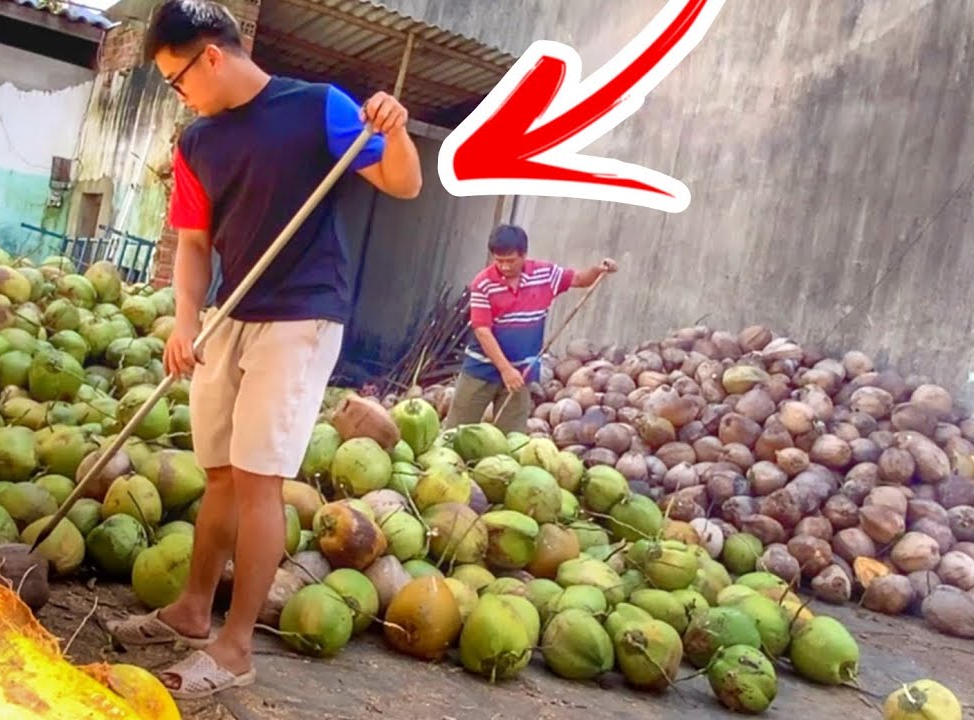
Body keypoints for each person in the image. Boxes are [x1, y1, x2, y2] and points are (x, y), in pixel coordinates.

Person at [106, 0, 422, 700]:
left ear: (210, 56)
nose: (178, 93)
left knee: (257, 480)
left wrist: (394, 132)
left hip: (302, 318)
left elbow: (402, 182)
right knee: (218, 472)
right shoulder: (197, 144)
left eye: (177, 78)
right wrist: (184, 321)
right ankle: (192, 611)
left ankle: (236, 645)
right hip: (230, 316)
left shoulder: (317, 109)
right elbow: (192, 244)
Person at [444, 224, 617, 434]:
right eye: (499, 261)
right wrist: (505, 370)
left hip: (521, 371)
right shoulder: (482, 284)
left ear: (524, 254)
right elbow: (482, 331)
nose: (504, 267)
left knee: (511, 437)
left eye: (510, 261)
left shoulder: (544, 274)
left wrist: (599, 270)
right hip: (481, 369)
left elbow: (579, 279)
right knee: (455, 432)